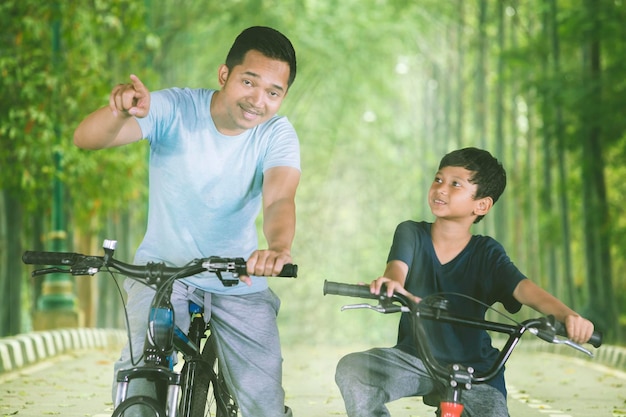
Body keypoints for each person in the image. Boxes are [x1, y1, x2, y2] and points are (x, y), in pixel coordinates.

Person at [74, 26, 300, 417]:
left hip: (239, 276)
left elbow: (279, 197)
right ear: (224, 75)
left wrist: (277, 248)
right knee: (139, 382)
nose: (258, 100)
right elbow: (87, 138)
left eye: (273, 92)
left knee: (263, 402)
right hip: (162, 272)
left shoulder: (275, 133)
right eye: (249, 82)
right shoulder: (174, 108)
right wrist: (118, 112)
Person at [334, 147, 595, 417]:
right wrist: (392, 285)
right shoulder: (411, 233)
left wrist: (568, 316)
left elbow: (524, 288)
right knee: (354, 369)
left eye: (455, 184)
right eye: (438, 179)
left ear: (481, 204)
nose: (441, 189)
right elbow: (396, 270)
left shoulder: (487, 253)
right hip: (417, 359)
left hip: (478, 372)